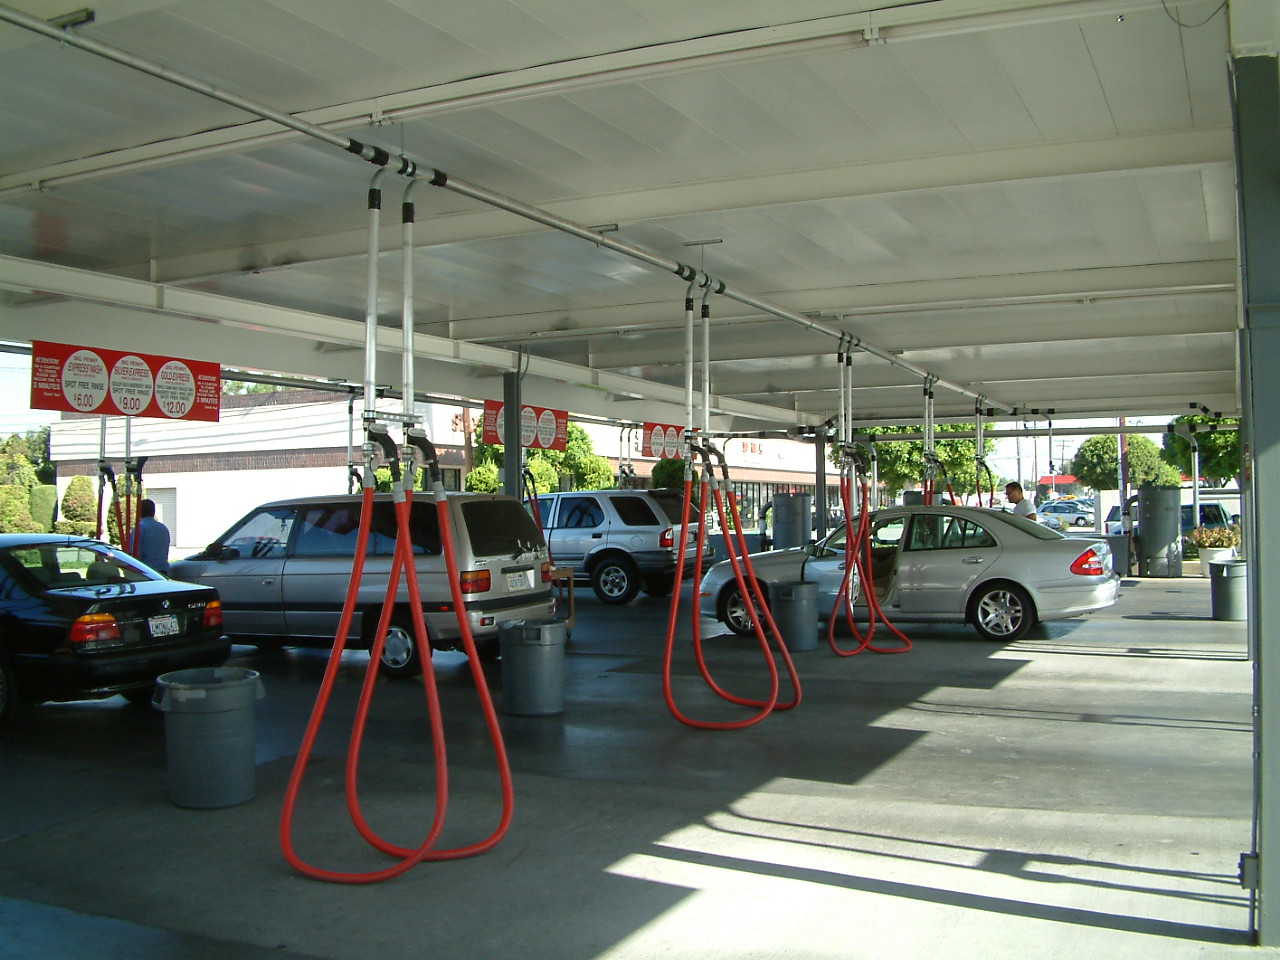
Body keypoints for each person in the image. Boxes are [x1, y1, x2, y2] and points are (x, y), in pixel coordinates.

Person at [133, 498, 171, 574]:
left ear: (139, 511)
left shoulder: (139, 528)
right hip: (163, 572)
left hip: (145, 572)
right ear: (153, 511)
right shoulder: (163, 528)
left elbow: (134, 553)